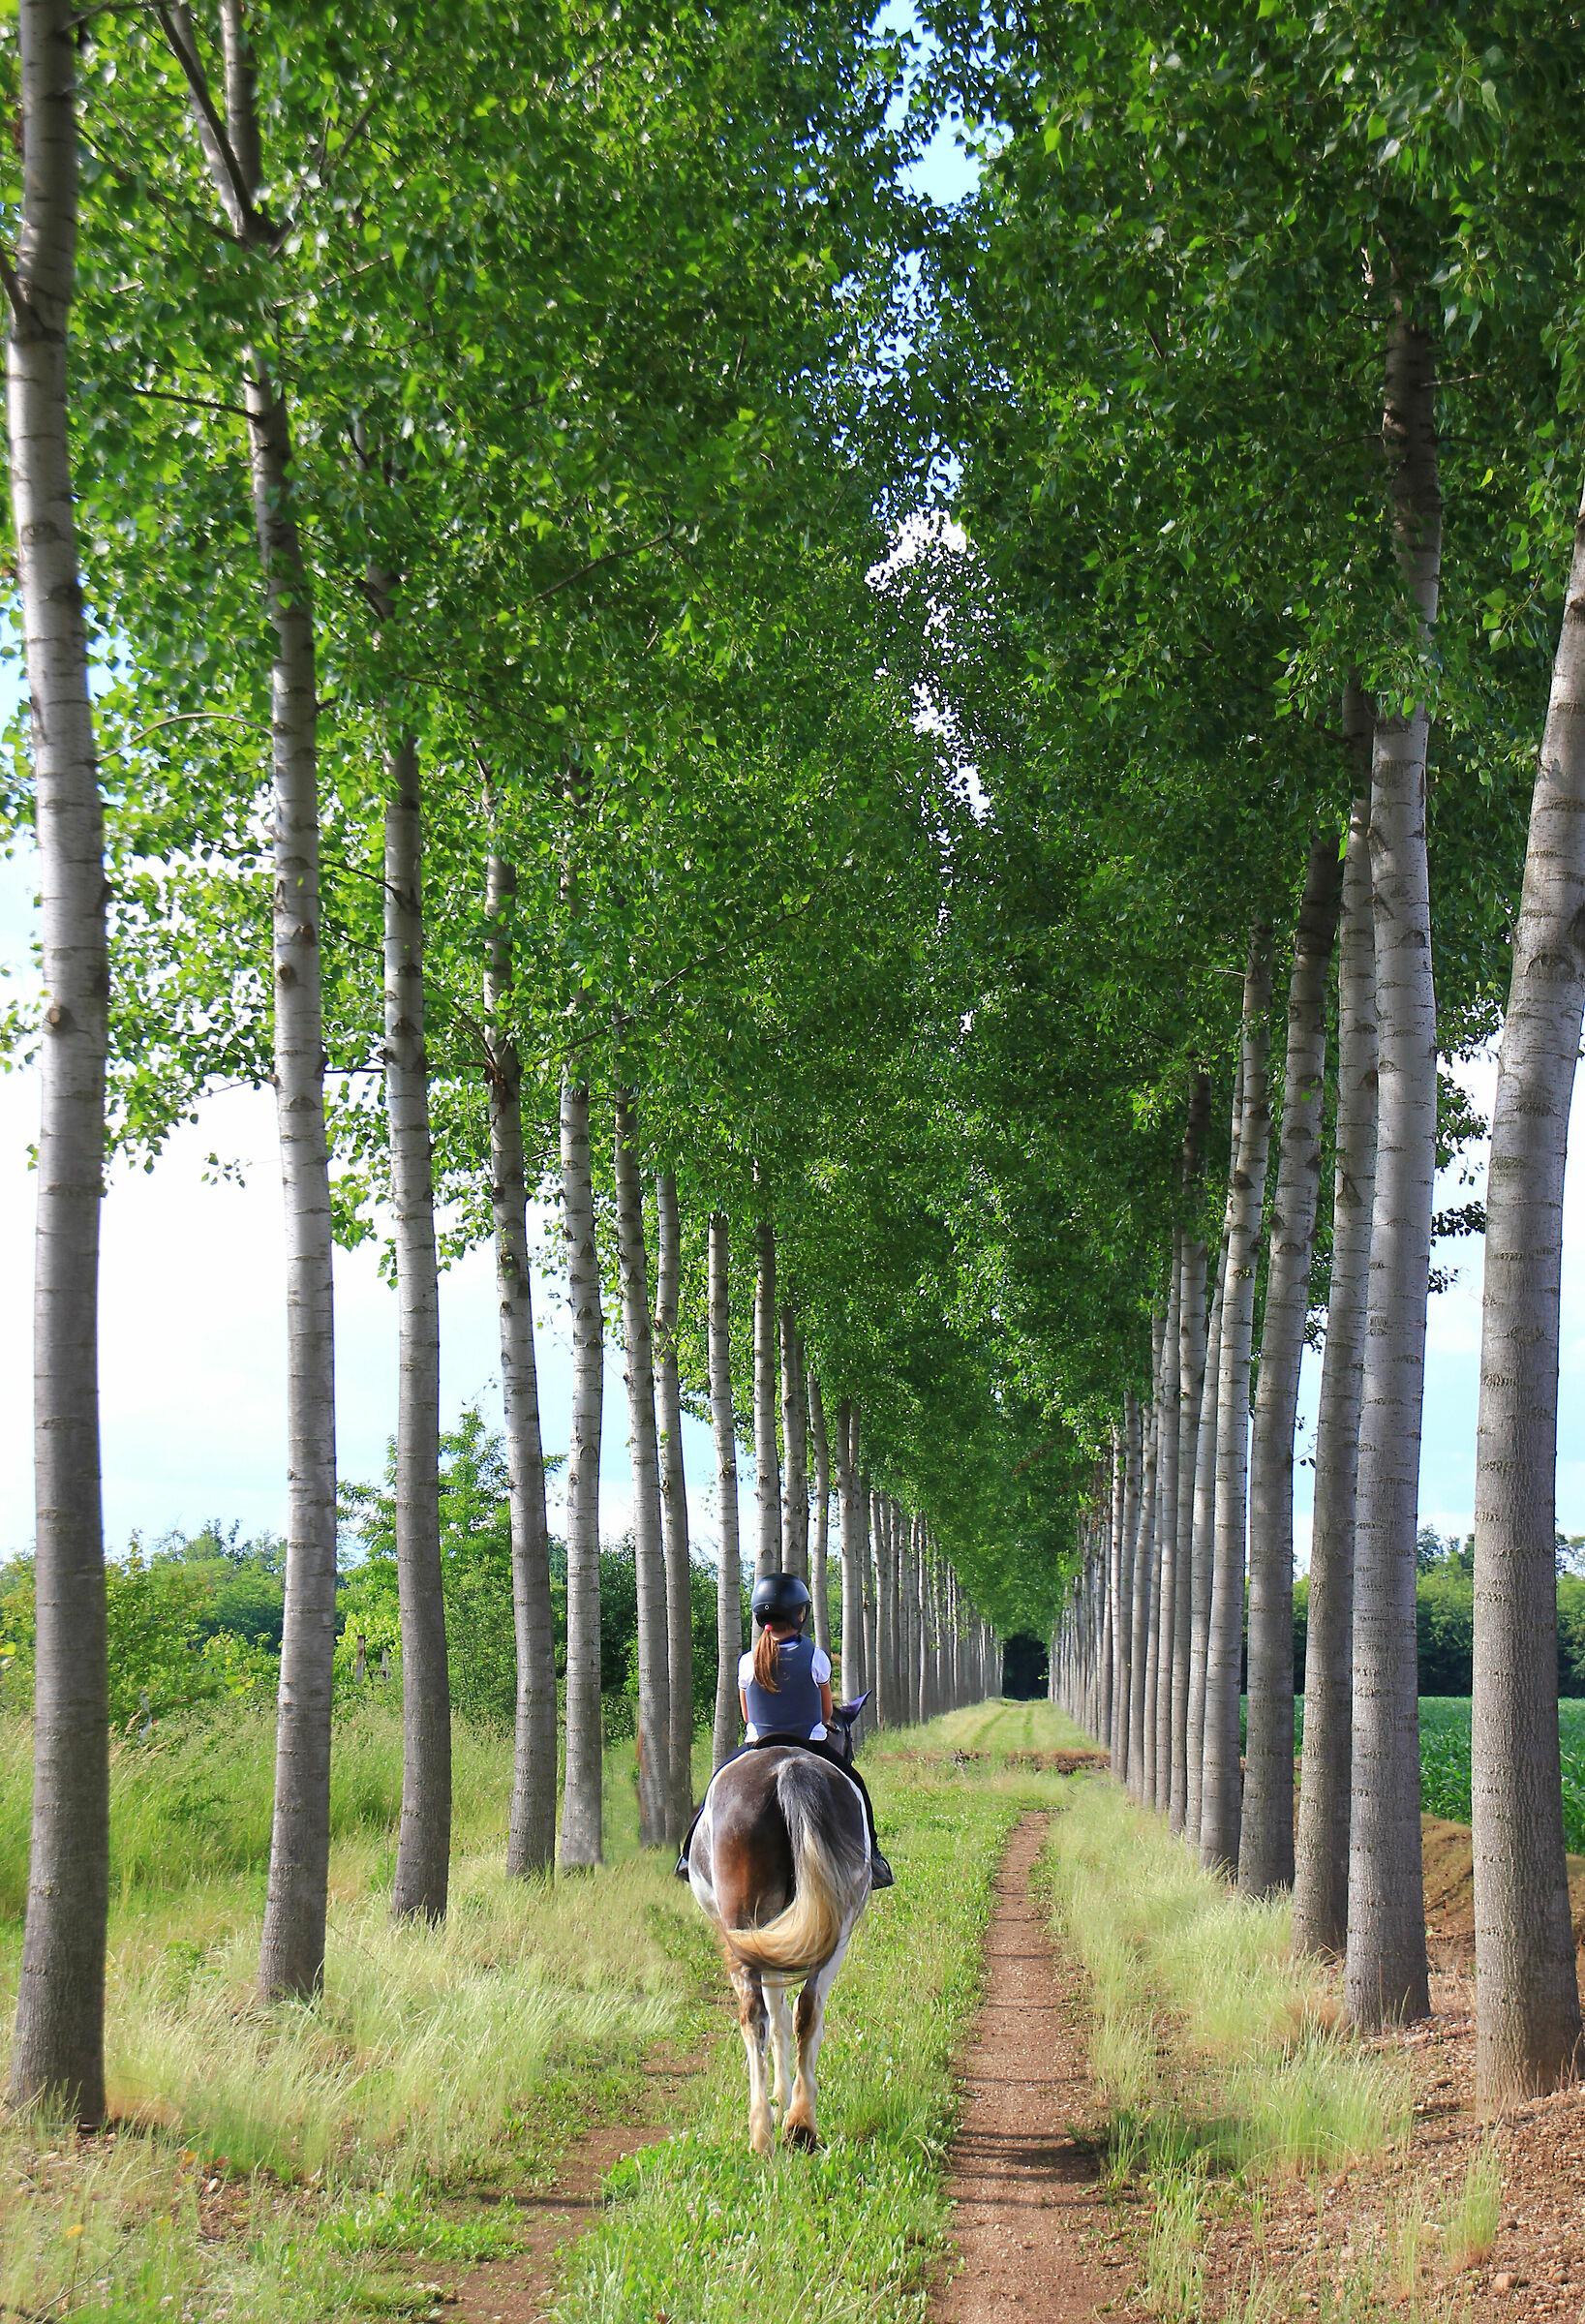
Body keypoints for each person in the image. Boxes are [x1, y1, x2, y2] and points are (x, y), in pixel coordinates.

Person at [677, 1570, 893, 1887]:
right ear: (800, 1614)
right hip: (810, 1744)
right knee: (856, 1787)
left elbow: (747, 1714)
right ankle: (873, 1856)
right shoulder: (816, 1657)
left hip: (757, 1744)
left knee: (714, 1787)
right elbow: (826, 1712)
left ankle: (687, 1856)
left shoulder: (748, 1662)